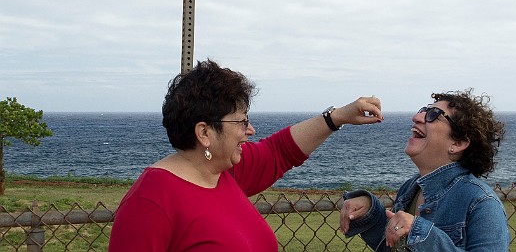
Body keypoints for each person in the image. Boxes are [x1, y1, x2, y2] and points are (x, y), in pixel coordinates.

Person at [109, 58, 383, 251]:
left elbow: (280, 151)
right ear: (204, 133)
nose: (250, 130)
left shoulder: (223, 172)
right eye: (241, 121)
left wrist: (337, 117)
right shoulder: (150, 203)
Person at [340, 89, 509, 251]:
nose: (416, 117)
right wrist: (370, 211)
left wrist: (420, 231)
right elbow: (391, 245)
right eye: (423, 110)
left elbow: (415, 234)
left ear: (457, 144)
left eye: (433, 114)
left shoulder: (481, 202)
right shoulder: (411, 188)